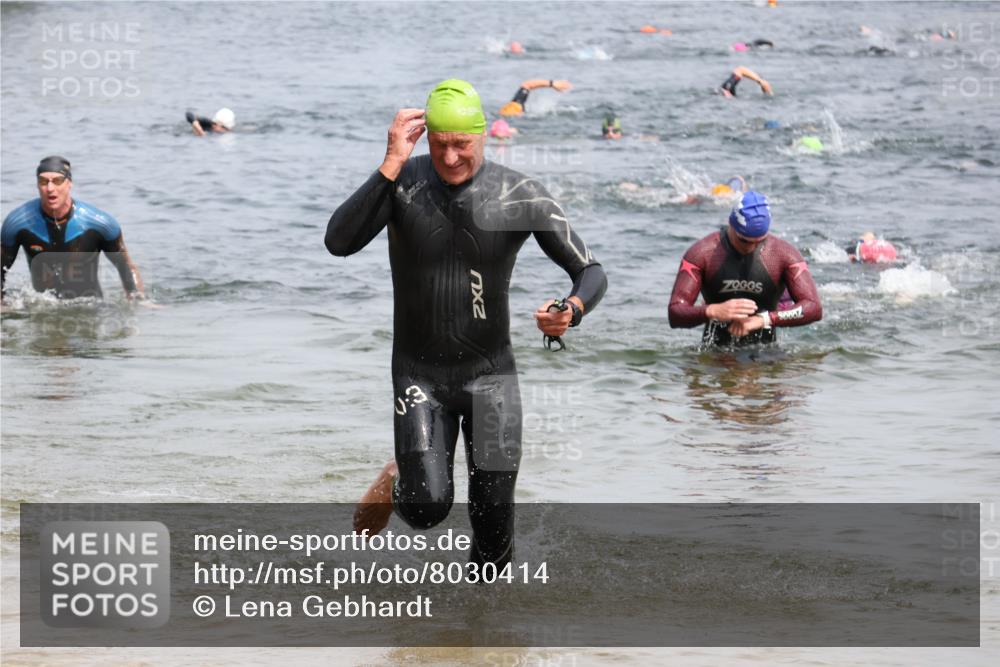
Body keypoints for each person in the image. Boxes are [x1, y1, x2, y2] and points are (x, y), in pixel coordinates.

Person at [326, 79, 607, 568]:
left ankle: (482, 638)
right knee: (426, 507)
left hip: (492, 376)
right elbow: (339, 241)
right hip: (419, 376)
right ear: (423, 139)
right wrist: (391, 162)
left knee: (494, 527)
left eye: (463, 145)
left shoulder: (520, 194)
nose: (451, 157)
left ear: (484, 136)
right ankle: (397, 481)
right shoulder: (402, 185)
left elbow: (591, 271)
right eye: (439, 145)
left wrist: (571, 310)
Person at [668, 191, 821, 347]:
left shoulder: (783, 254)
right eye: (745, 241)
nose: (752, 247)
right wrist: (712, 311)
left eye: (760, 241)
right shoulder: (702, 253)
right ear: (731, 224)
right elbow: (675, 313)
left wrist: (764, 319)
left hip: (766, 355)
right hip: (716, 355)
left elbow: (813, 307)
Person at [2, 156, 145, 301]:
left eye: (57, 181)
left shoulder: (100, 224)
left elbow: (126, 267)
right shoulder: (18, 223)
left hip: (90, 307)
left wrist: (139, 301)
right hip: (43, 307)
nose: (50, 188)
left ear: (69, 183)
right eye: (43, 181)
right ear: (38, 185)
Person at [500, 79, 572, 116]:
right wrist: (552, 84)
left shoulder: (514, 107)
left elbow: (527, 85)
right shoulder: (511, 111)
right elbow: (527, 84)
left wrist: (552, 84)